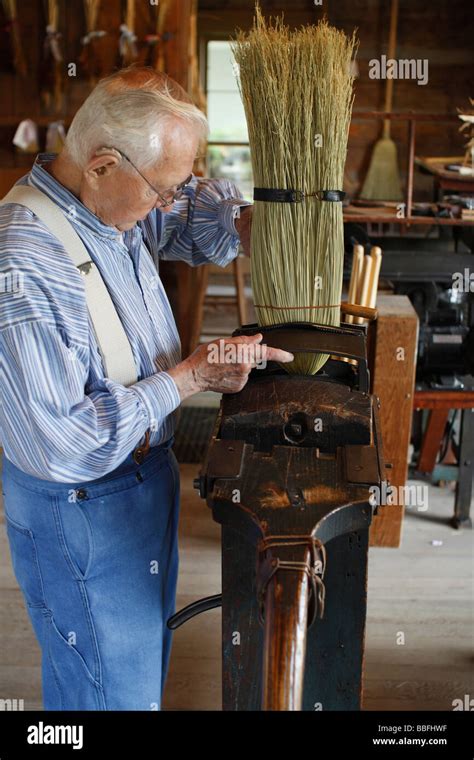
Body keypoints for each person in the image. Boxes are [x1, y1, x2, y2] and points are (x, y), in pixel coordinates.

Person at [0, 66, 293, 710]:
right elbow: (63, 442)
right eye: (162, 191)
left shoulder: (113, 201)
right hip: (82, 507)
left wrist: (251, 221)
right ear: (103, 164)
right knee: (108, 695)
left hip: (141, 481)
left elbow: (188, 216)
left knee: (129, 682)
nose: (169, 206)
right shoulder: (25, 259)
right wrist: (189, 376)